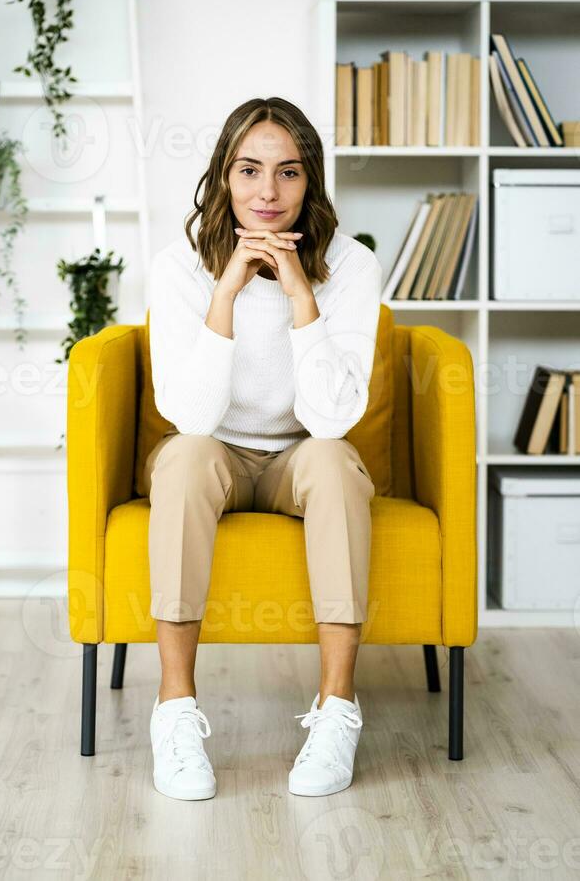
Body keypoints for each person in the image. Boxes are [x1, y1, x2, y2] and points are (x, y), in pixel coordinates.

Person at [145, 97, 382, 801]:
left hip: (301, 455)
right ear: (224, 176)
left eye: (288, 173)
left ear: (312, 181)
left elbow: (334, 419)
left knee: (338, 465)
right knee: (184, 457)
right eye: (249, 171)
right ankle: (175, 714)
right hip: (214, 448)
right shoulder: (179, 266)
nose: (268, 194)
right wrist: (227, 291)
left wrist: (300, 292)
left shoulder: (352, 265)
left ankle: (338, 712)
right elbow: (188, 415)